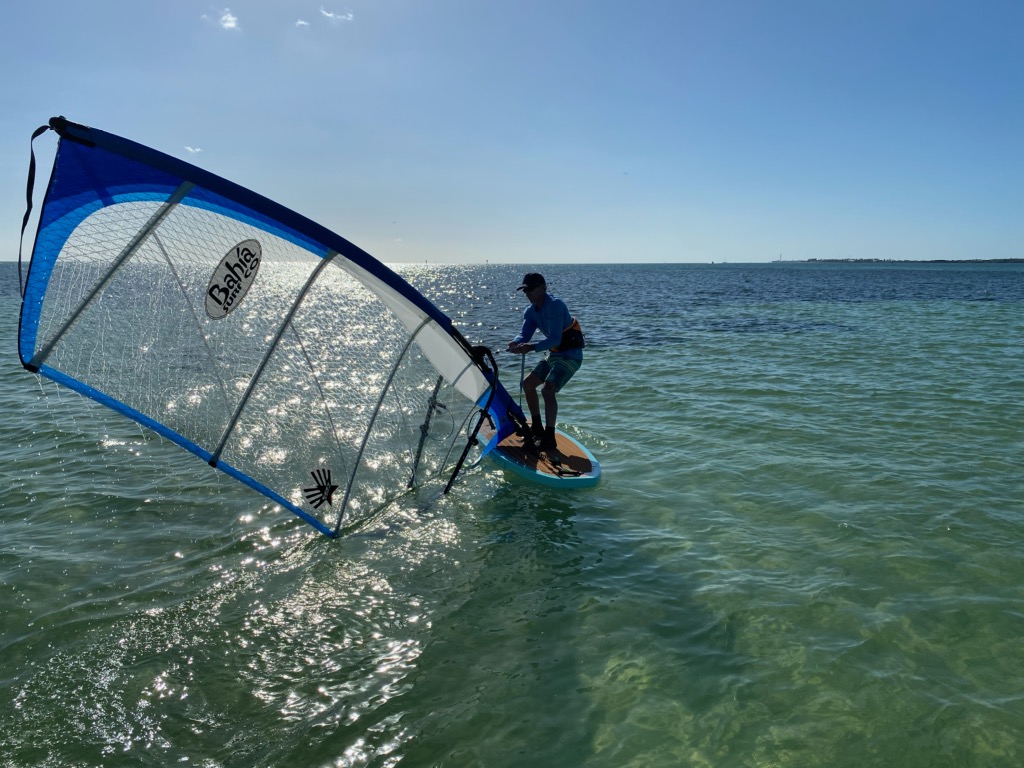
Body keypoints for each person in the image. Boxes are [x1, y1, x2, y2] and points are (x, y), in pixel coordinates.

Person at [506, 272, 585, 451]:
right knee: (527, 384)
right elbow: (524, 334)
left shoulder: (556, 305)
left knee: (547, 390)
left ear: (543, 288)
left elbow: (555, 339)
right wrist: (515, 343)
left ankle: (549, 438)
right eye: (524, 290)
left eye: (530, 289)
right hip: (554, 355)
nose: (527, 293)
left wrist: (531, 348)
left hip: (571, 356)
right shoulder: (530, 311)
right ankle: (537, 428)